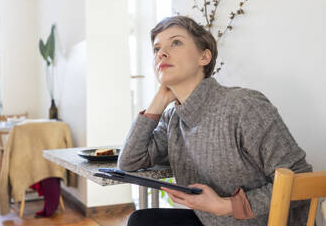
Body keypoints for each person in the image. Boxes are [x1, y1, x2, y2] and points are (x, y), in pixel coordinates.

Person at [118, 15, 312, 226]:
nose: (162, 53)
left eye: (176, 42)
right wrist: (159, 101)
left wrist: (226, 205)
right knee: (142, 221)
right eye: (156, 49)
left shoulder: (244, 105)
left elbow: (301, 181)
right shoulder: (173, 117)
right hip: (214, 221)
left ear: (204, 57)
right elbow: (130, 161)